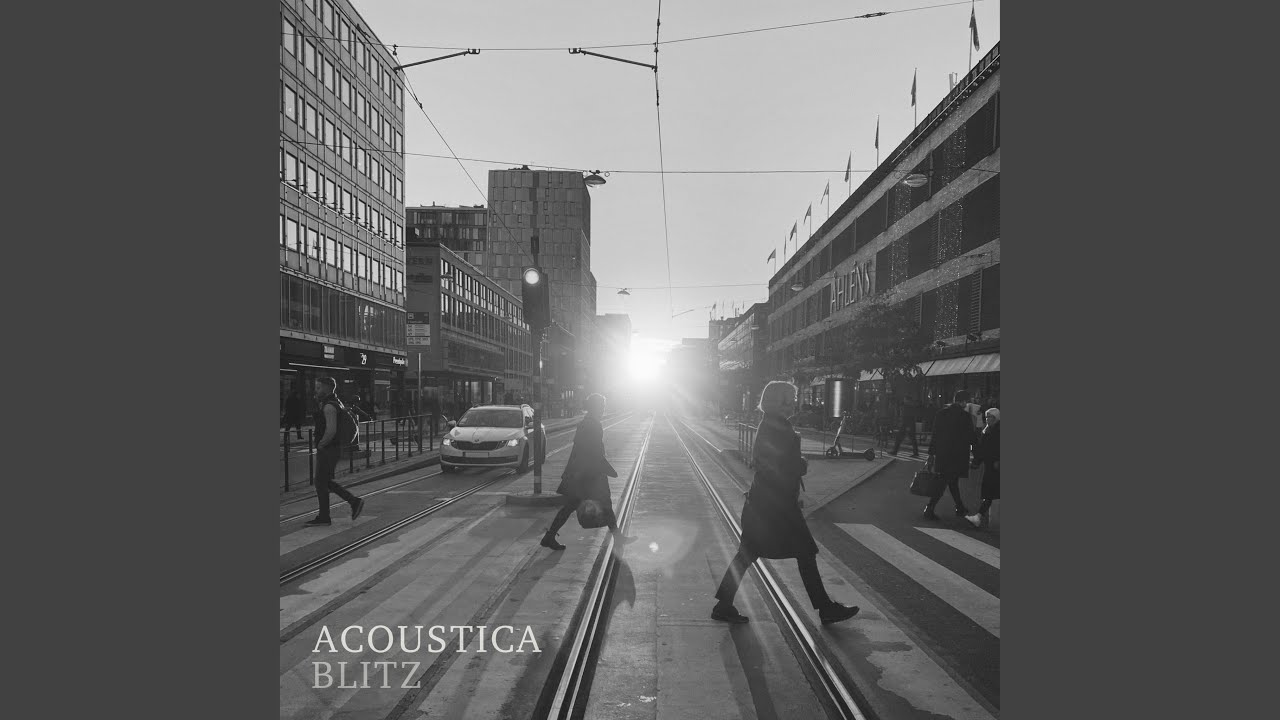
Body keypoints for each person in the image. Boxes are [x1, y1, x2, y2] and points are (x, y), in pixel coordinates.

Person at [711, 381, 860, 625]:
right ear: (776, 402)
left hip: (768, 503)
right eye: (788, 400)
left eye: (793, 399)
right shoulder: (776, 427)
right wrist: (801, 464)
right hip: (775, 505)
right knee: (803, 552)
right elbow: (775, 464)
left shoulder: (773, 424)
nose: (793, 404)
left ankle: (724, 604)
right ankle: (825, 608)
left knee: (751, 553)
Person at [541, 393, 635, 550]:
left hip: (583, 473)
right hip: (589, 475)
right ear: (595, 407)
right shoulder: (593, 425)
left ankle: (549, 537)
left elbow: (580, 450)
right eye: (602, 407)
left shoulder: (586, 423)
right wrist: (608, 469)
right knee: (603, 503)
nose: (603, 410)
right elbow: (594, 452)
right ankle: (617, 537)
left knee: (571, 506)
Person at [306, 377, 365, 527]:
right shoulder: (335, 402)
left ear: (327, 388)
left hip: (328, 448)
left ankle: (351, 503)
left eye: (318, 388)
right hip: (333, 448)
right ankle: (328, 514)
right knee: (324, 481)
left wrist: (321, 444)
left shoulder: (329, 406)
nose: (316, 391)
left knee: (321, 481)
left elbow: (331, 430)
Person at [923, 390, 977, 521]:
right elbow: (971, 437)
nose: (967, 404)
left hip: (943, 454)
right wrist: (977, 453)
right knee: (944, 482)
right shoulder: (965, 416)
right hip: (958, 455)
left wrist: (931, 454)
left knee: (951, 481)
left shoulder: (941, 414)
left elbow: (935, 435)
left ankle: (960, 507)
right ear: (963, 401)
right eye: (966, 401)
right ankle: (929, 508)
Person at [965, 408, 1001, 528]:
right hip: (991, 464)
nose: (987, 419)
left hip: (995, 465)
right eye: (986, 417)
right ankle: (979, 516)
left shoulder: (996, 430)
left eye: (990, 417)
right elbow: (984, 448)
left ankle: (979, 517)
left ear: (996, 418)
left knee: (990, 491)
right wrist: (977, 461)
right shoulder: (988, 430)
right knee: (990, 491)